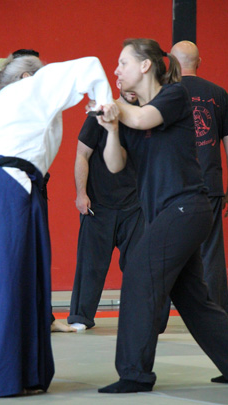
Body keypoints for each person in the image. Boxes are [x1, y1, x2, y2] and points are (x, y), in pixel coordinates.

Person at [0, 48, 112, 398]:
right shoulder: (29, 88)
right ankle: (5, 374)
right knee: (9, 280)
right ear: (29, 76)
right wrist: (104, 106)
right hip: (6, 191)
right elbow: (88, 66)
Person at [95, 38, 228, 394]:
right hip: (165, 215)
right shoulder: (128, 110)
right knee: (193, 299)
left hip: (186, 207)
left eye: (123, 63)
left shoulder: (175, 95)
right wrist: (110, 128)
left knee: (139, 271)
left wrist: (116, 108)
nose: (116, 70)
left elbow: (141, 119)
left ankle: (134, 375)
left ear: (144, 66)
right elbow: (115, 164)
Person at [67, 84, 144, 331]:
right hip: (98, 204)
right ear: (119, 84)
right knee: (90, 265)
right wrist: (81, 194)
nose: (132, 91)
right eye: (127, 87)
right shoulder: (100, 113)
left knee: (140, 266)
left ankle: (143, 318)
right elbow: (82, 154)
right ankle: (81, 318)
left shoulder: (147, 116)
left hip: (135, 206)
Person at [170, 40, 228, 313]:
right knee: (211, 251)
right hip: (210, 184)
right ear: (199, 62)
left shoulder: (166, 93)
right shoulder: (218, 94)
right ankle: (218, 313)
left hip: (173, 186)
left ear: (171, 61)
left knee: (165, 249)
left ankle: (158, 314)